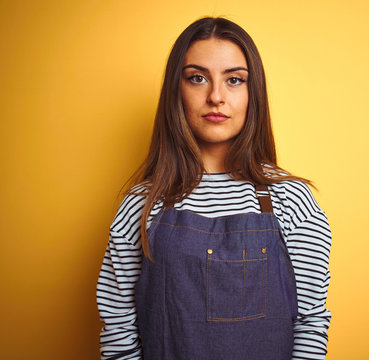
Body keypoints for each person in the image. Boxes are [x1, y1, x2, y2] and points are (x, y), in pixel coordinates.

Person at [96, 16, 332, 360]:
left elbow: (310, 325)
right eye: (197, 78)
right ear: (177, 91)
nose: (216, 96)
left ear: (255, 93)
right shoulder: (141, 203)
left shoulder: (293, 200)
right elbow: (118, 328)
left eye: (234, 80)